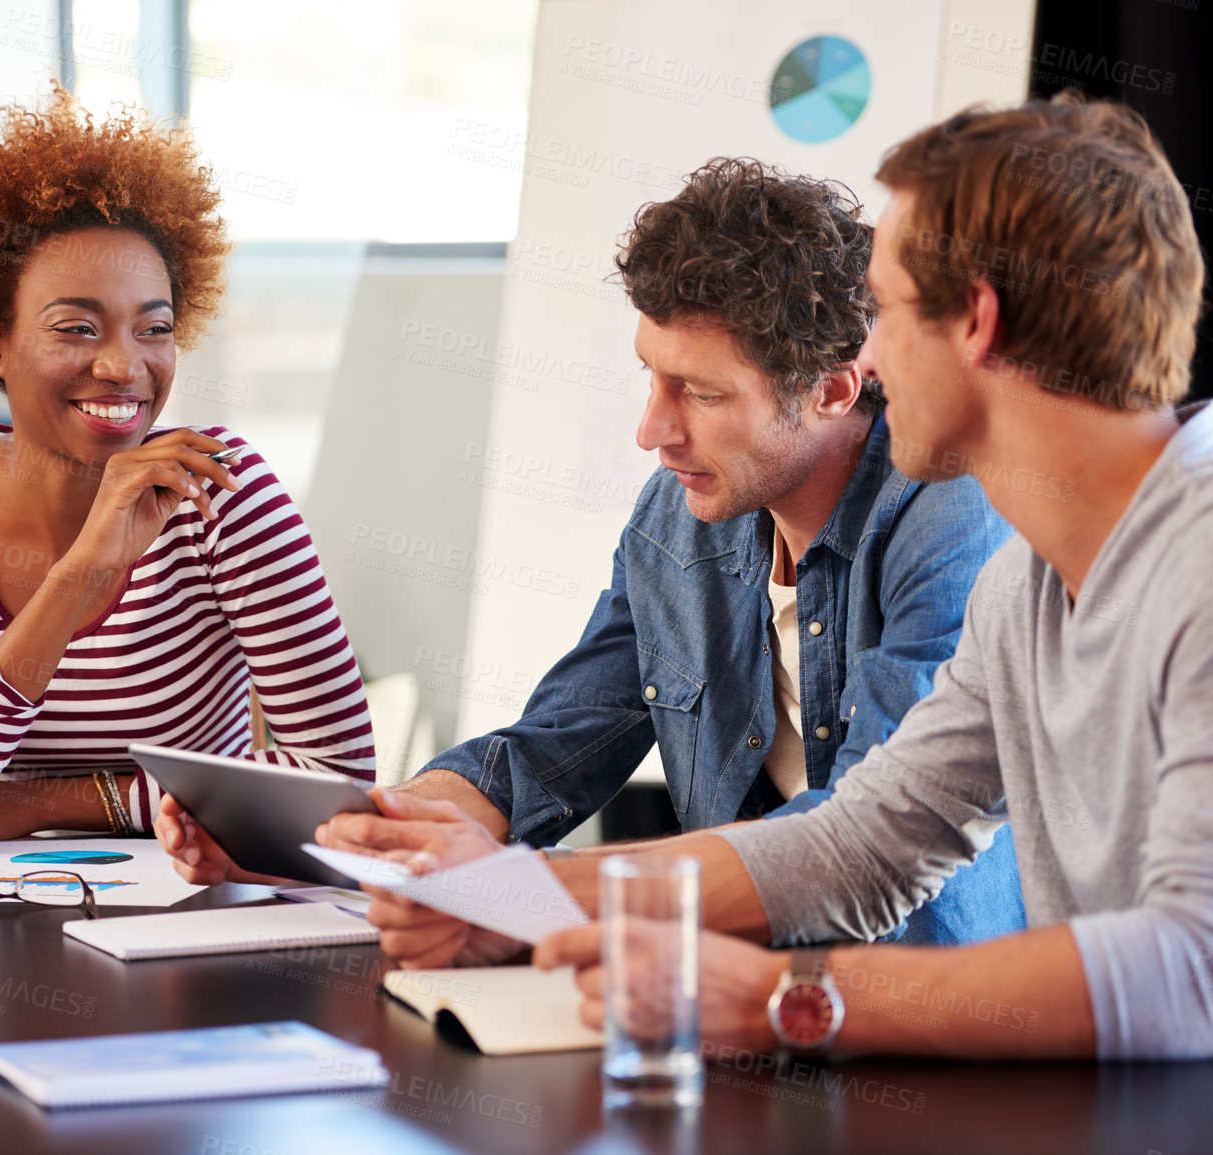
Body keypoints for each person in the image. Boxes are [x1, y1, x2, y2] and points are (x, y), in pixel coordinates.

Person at [525, 94, 1213, 1070]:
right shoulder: (1026, 585)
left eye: (886, 310)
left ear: (976, 323)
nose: (862, 361)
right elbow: (861, 848)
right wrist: (505, 897)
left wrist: (790, 997)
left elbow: (1209, 977)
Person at [258, 158, 1027, 952]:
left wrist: (507, 890)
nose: (650, 430)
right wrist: (379, 836)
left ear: (831, 392)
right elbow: (557, 742)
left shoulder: (952, 521)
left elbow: (858, 842)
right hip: (716, 994)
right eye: (650, 378)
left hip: (911, 1021)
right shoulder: (682, 508)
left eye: (699, 392)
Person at [0, 90, 375, 857]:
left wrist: (39, 801)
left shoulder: (219, 490)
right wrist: (83, 574)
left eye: (153, 327)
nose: (125, 366)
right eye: (76, 328)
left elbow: (335, 785)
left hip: (187, 928)